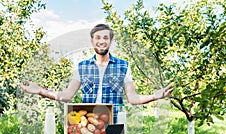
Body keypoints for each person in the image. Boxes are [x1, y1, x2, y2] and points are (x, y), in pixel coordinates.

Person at [19, 24, 173, 123]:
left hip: (114, 123)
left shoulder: (123, 66)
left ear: (111, 42)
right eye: (98, 38)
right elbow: (65, 95)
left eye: (106, 38)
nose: (102, 41)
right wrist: (40, 91)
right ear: (92, 41)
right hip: (88, 122)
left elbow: (133, 98)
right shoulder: (82, 67)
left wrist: (154, 96)